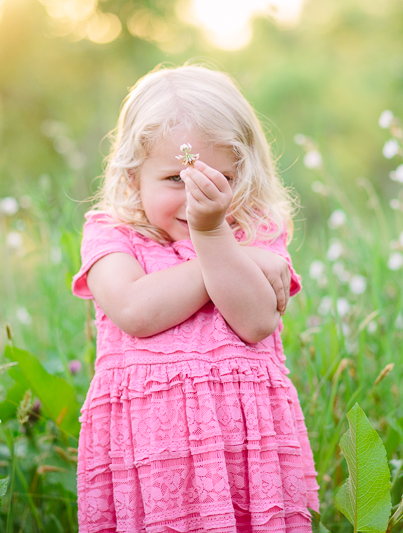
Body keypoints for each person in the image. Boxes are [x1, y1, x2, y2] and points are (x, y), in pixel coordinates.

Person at [72, 64, 319, 533]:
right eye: (174, 179)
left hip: (243, 454)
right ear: (132, 177)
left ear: (243, 174)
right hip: (149, 458)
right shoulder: (112, 234)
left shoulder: (254, 230)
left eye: (217, 180)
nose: (196, 201)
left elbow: (256, 320)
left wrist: (215, 234)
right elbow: (134, 310)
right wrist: (226, 254)